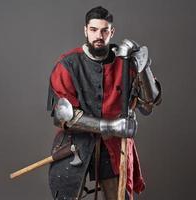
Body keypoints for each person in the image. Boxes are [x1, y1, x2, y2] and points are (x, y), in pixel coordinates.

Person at [47, 6, 161, 200]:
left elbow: (148, 104)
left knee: (118, 196)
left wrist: (143, 66)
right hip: (75, 144)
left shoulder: (125, 61)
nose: (98, 35)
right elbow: (63, 115)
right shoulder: (67, 64)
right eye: (93, 30)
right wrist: (110, 125)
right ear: (85, 30)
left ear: (111, 32)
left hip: (114, 145)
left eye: (104, 30)